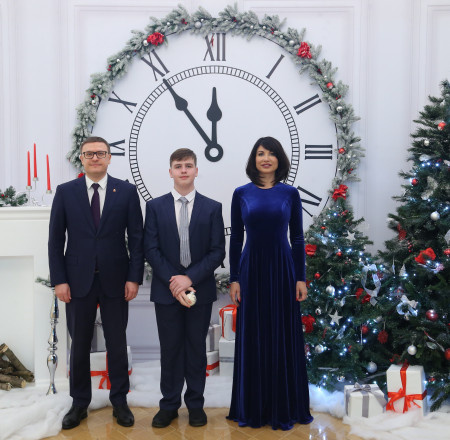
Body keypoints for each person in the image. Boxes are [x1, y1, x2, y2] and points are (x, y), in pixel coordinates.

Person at [48, 136, 144, 429]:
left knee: (117, 343)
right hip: (77, 282)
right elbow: (55, 240)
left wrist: (134, 277)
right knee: (79, 346)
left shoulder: (126, 191)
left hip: (116, 281)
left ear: (109, 157)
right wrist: (60, 281)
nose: (94, 158)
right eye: (89, 154)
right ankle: (79, 403)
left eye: (100, 153)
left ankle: (119, 401)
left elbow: (136, 239)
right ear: (81, 158)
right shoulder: (65, 192)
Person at [227, 136, 313, 430]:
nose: (266, 158)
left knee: (281, 333)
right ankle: (253, 407)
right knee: (253, 334)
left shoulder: (290, 194)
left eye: (271, 153)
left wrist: (300, 277)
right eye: (260, 153)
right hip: (251, 270)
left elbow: (297, 238)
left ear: (279, 160)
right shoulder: (241, 193)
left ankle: (284, 405)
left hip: (282, 270)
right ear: (254, 159)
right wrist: (234, 278)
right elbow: (236, 238)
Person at [144, 148, 225, 428]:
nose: (183, 170)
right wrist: (175, 281)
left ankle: (195, 405)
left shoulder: (212, 207)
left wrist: (188, 279)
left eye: (188, 165)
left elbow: (217, 251)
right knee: (170, 350)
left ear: (196, 170)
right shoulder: (155, 207)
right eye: (178, 166)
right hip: (166, 291)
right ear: (170, 172)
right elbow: (151, 249)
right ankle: (169, 405)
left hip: (199, 290)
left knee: (195, 349)